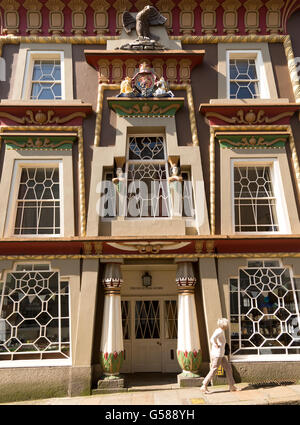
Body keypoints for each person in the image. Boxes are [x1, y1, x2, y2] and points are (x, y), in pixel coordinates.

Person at [200, 318, 239, 394]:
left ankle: (232, 386)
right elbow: (212, 338)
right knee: (214, 369)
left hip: (220, 355)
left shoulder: (219, 330)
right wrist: (215, 344)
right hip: (217, 355)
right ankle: (204, 385)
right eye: (226, 324)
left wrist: (217, 344)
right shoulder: (220, 331)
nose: (227, 325)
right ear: (224, 325)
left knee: (228, 369)